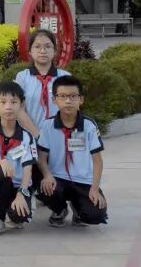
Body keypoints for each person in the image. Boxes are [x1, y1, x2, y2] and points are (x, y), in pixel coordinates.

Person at [36, 75, 109, 227]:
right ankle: (60, 209)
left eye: (73, 96)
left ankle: (78, 208)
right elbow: (41, 158)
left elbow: (97, 161)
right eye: (62, 96)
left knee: (95, 215)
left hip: (83, 181)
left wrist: (94, 188)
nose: (68, 101)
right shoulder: (47, 126)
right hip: (58, 179)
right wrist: (47, 175)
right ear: (54, 100)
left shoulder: (89, 125)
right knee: (42, 184)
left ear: (81, 99)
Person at [0, 82, 36, 237]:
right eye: (3, 102)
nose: (8, 107)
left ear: (21, 105)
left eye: (14, 102)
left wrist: (22, 193)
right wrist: (1, 162)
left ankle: (13, 211)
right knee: (3, 173)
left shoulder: (26, 136)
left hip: (18, 185)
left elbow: (28, 168)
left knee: (19, 217)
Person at [14, 29, 71, 140]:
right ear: (30, 51)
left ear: (55, 51)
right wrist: (39, 136)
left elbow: (71, 109)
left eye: (48, 46)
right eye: (37, 46)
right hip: (30, 137)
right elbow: (19, 110)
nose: (43, 50)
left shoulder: (65, 77)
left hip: (60, 137)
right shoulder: (22, 77)